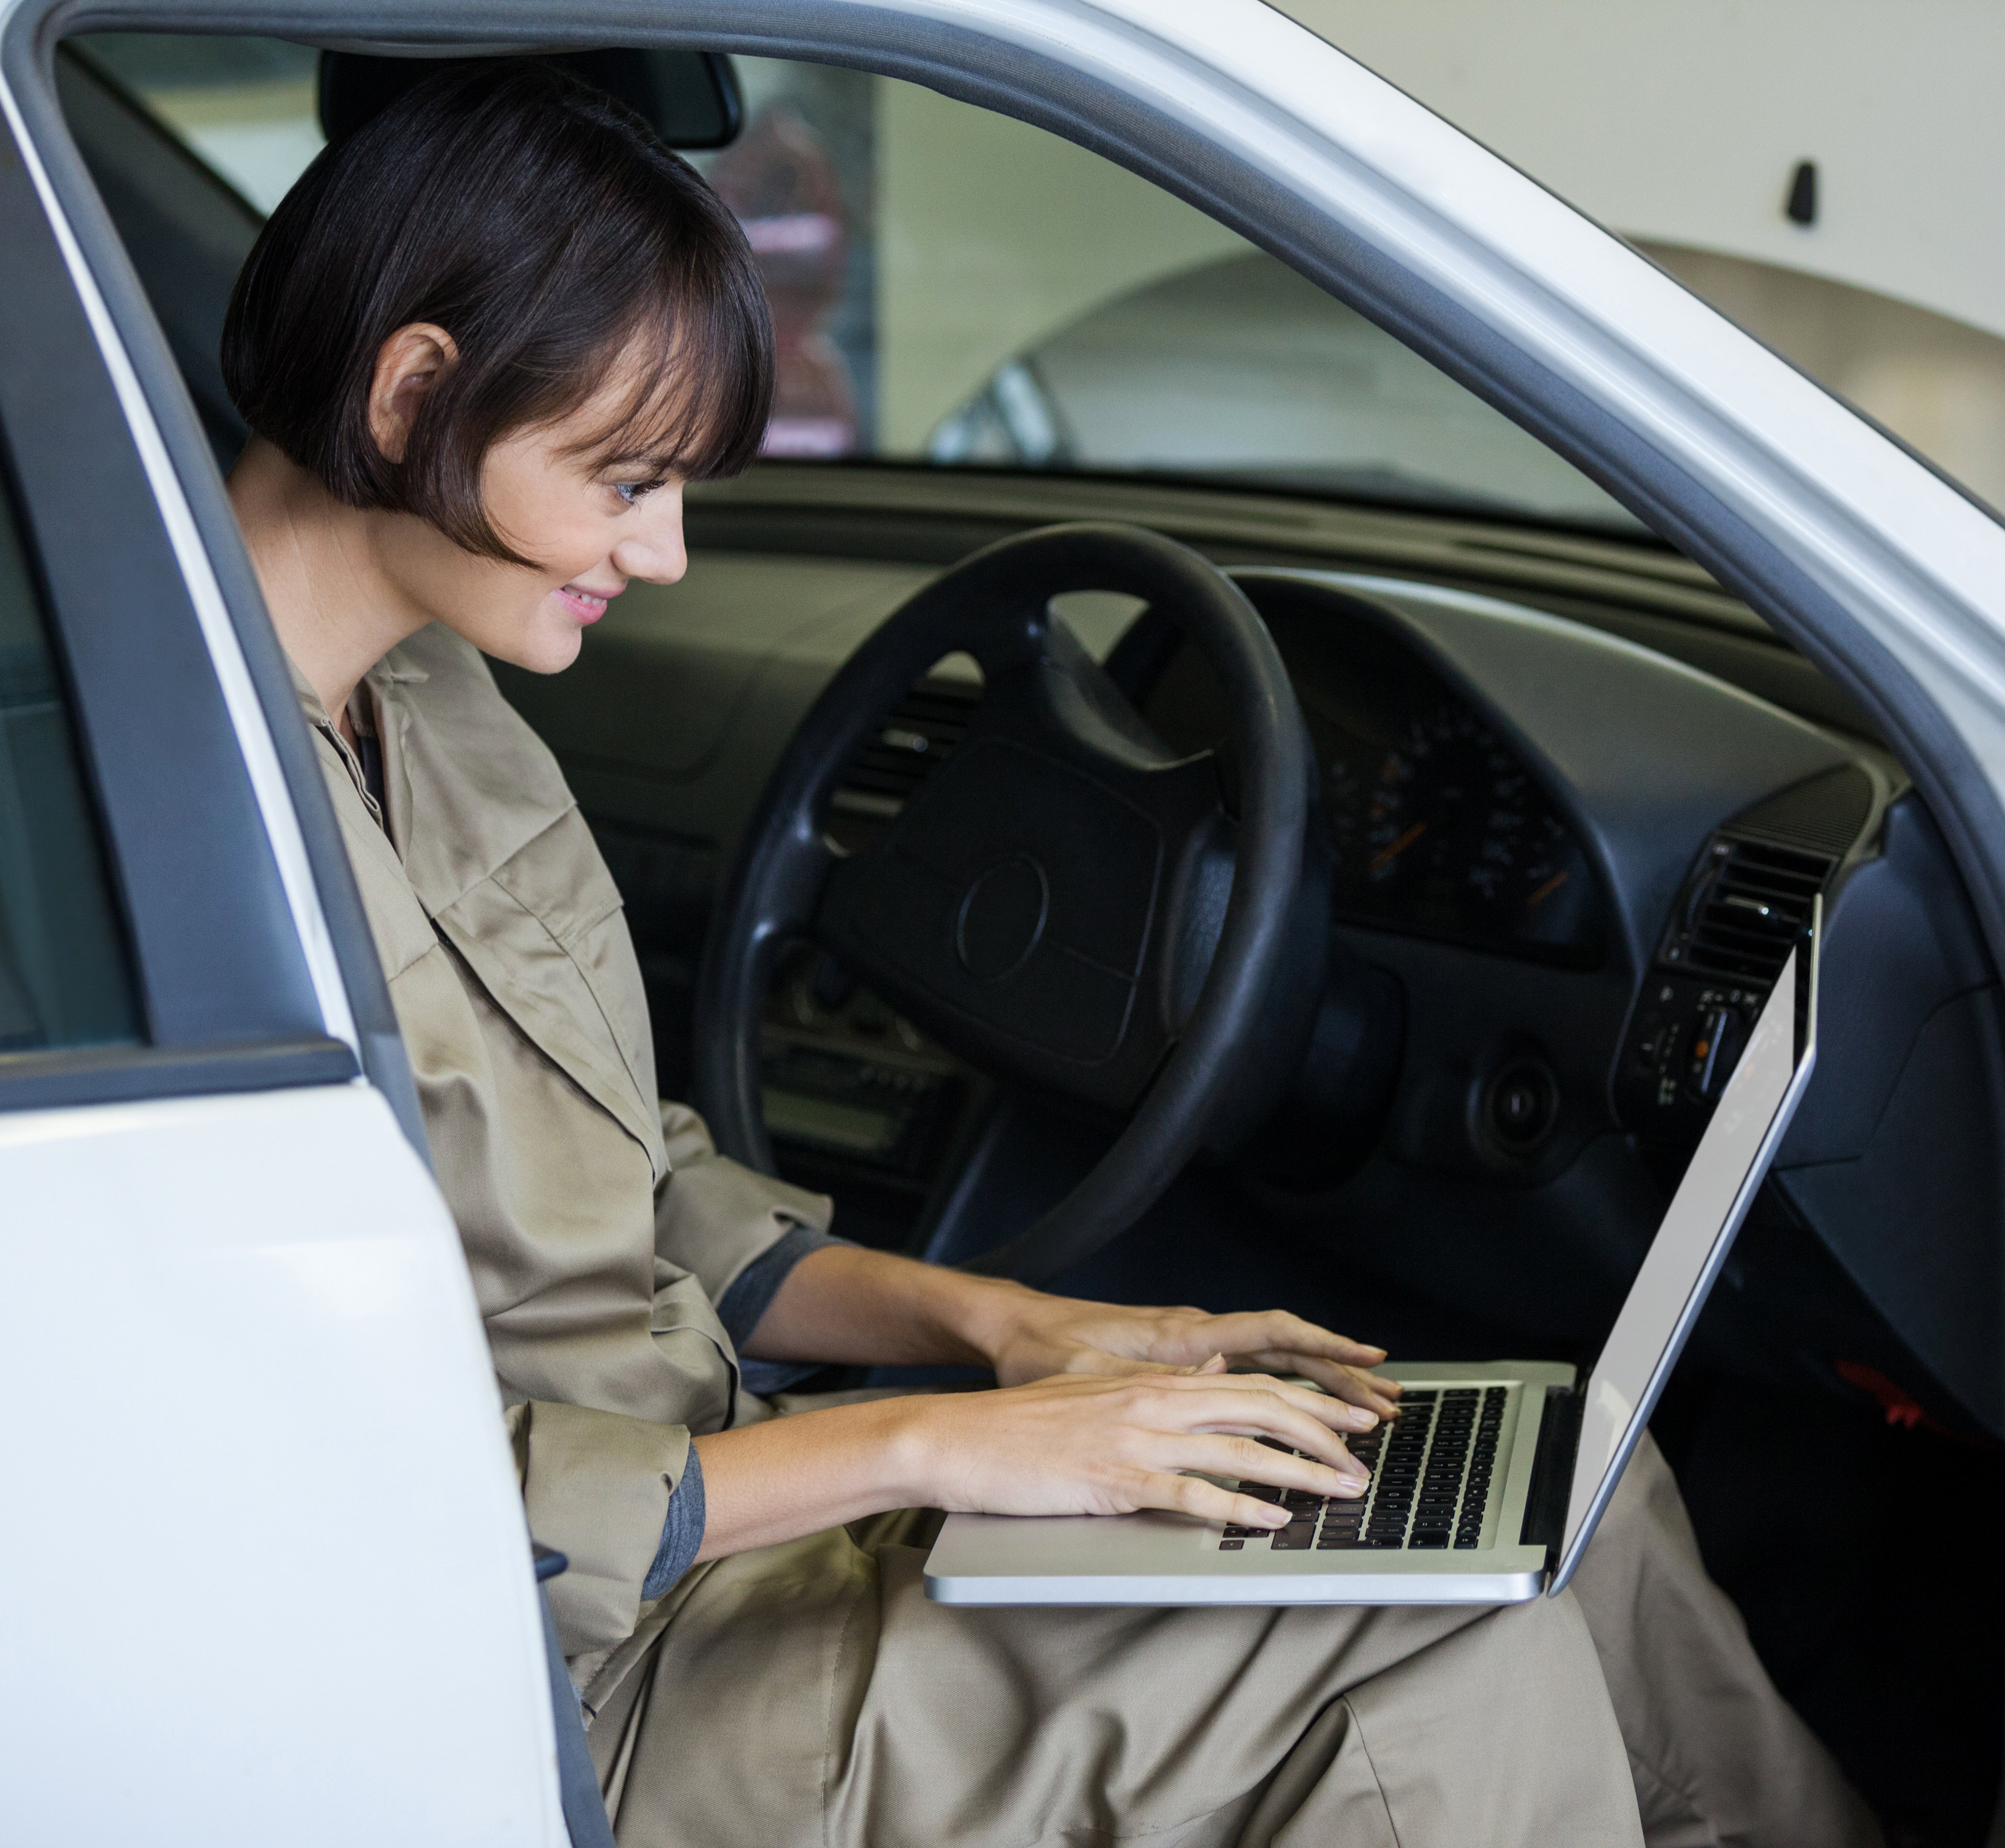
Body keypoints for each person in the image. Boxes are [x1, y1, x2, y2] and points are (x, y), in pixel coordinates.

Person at [220, 59, 1878, 1848]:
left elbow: (640, 1191)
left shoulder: (436, 701)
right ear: (412, 394)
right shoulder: (172, 861)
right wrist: (936, 1445)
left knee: (1573, 1508)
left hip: (746, 1507)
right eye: (624, 480)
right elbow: (321, 1512)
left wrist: (1024, 1334)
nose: (672, 553)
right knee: (1454, 1655)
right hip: (568, 1680)